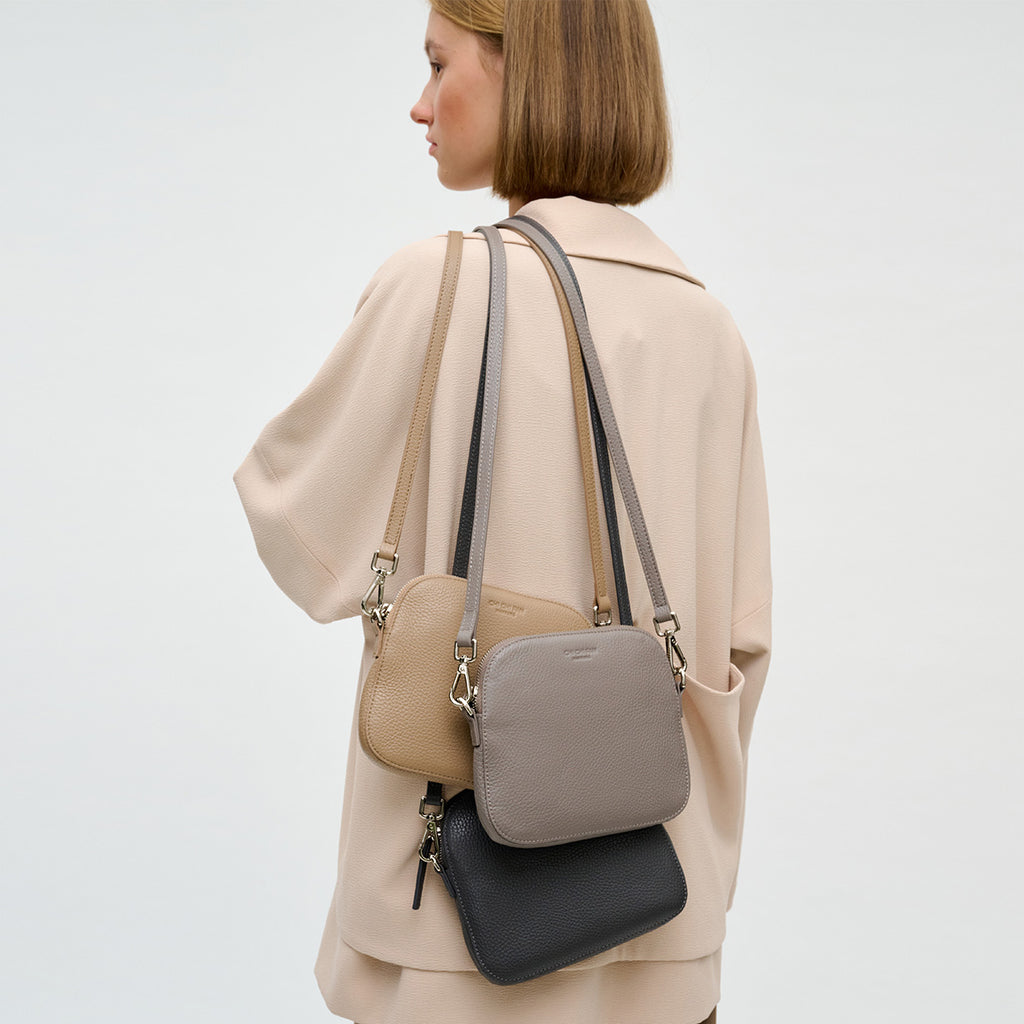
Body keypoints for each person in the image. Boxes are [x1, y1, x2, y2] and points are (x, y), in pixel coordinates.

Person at [233, 1, 771, 1021]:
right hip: (660, 918)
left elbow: (305, 542)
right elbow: (742, 650)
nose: (420, 104)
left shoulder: (437, 286)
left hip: (453, 935)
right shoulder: (710, 332)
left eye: (439, 65)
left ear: (527, 71)